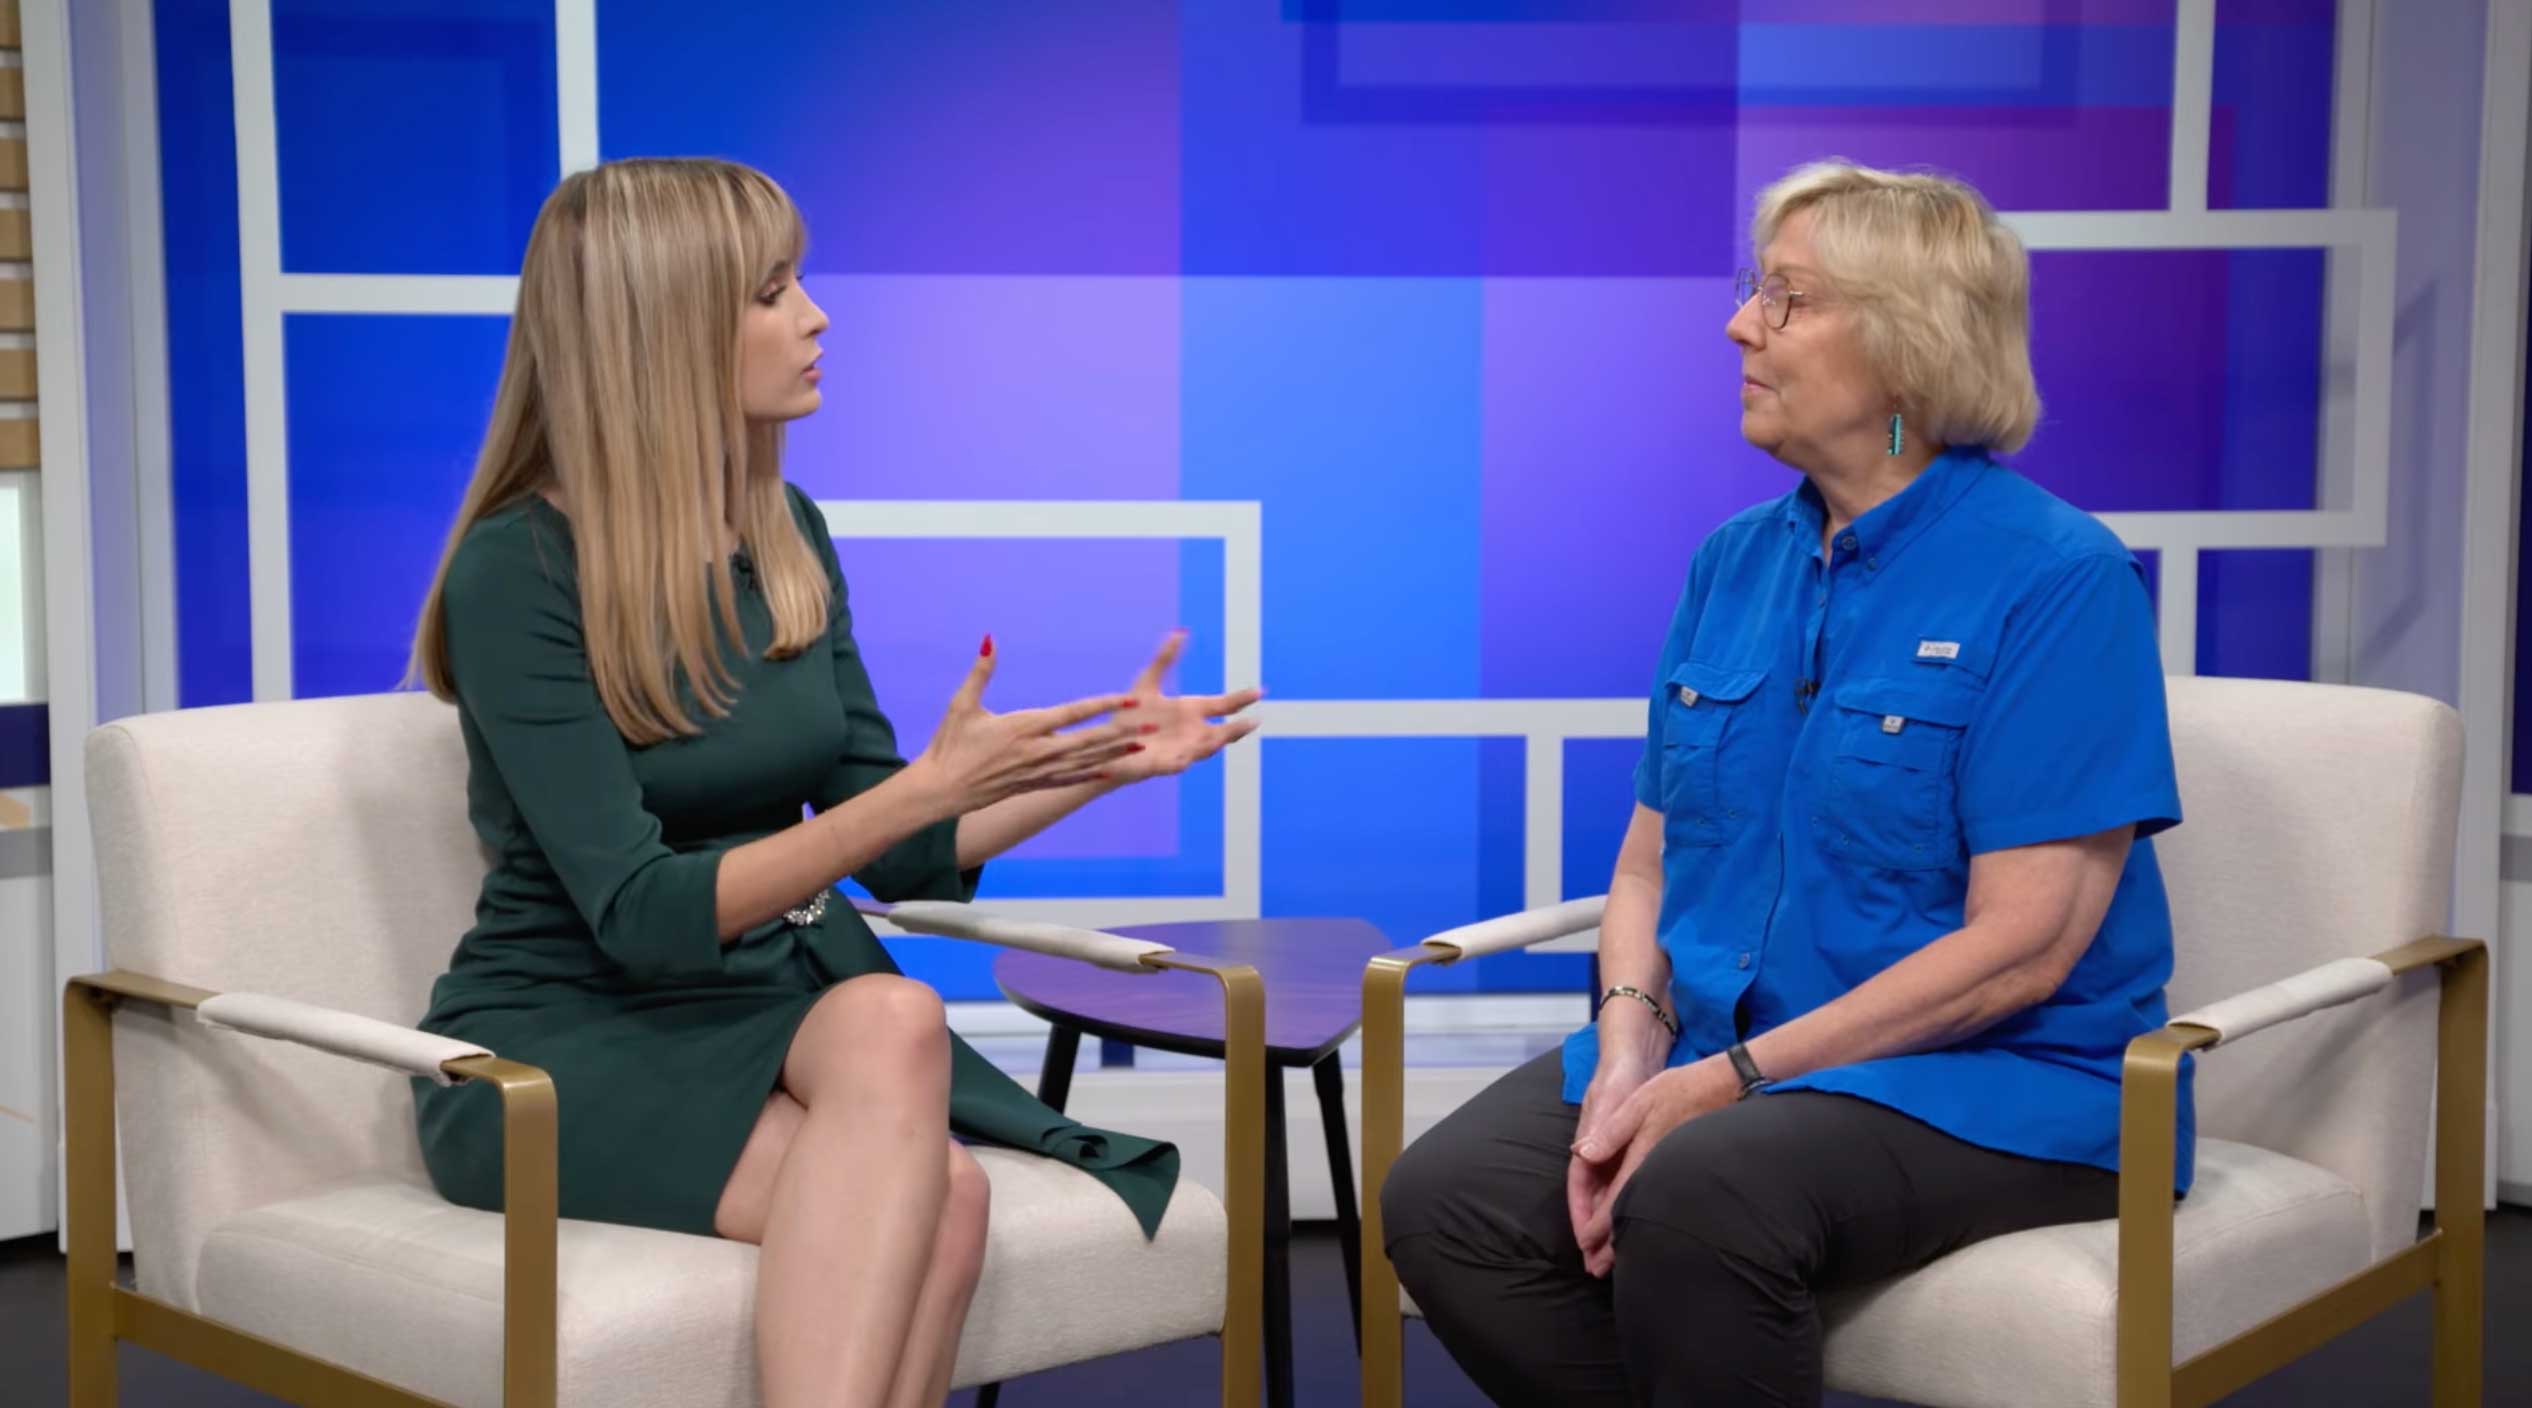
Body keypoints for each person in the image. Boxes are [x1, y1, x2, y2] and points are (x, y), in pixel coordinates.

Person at [404, 157, 1261, 1408]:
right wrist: (913, 796)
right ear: (661, 330)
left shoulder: (785, 529)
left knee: (909, 1064)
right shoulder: (517, 570)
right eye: (770, 291)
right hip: (562, 1043)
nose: (815, 316)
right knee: (936, 1156)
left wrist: (1101, 762)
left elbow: (905, 853)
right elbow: (641, 912)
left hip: (766, 1007)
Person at [1379, 160, 2187, 1406]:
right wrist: (1630, 1037)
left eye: (1789, 299)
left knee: (1704, 1188)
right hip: (1725, 1047)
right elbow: (1650, 858)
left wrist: (1725, 1085)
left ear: (1907, 347)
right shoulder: (1732, 563)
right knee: (1449, 1203)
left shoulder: (2057, 578)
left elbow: (2026, 947)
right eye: (1757, 288)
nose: (1739, 323)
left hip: (1999, 1081)